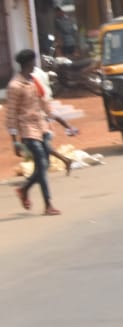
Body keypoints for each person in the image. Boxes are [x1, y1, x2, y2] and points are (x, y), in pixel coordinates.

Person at [7, 49, 75, 215]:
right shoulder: (15, 86)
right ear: (27, 63)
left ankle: (24, 189)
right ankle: (48, 205)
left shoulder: (34, 81)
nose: (34, 65)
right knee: (42, 163)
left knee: (43, 164)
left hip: (41, 125)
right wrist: (14, 140)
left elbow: (45, 104)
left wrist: (62, 123)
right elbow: (11, 114)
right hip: (27, 128)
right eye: (33, 62)